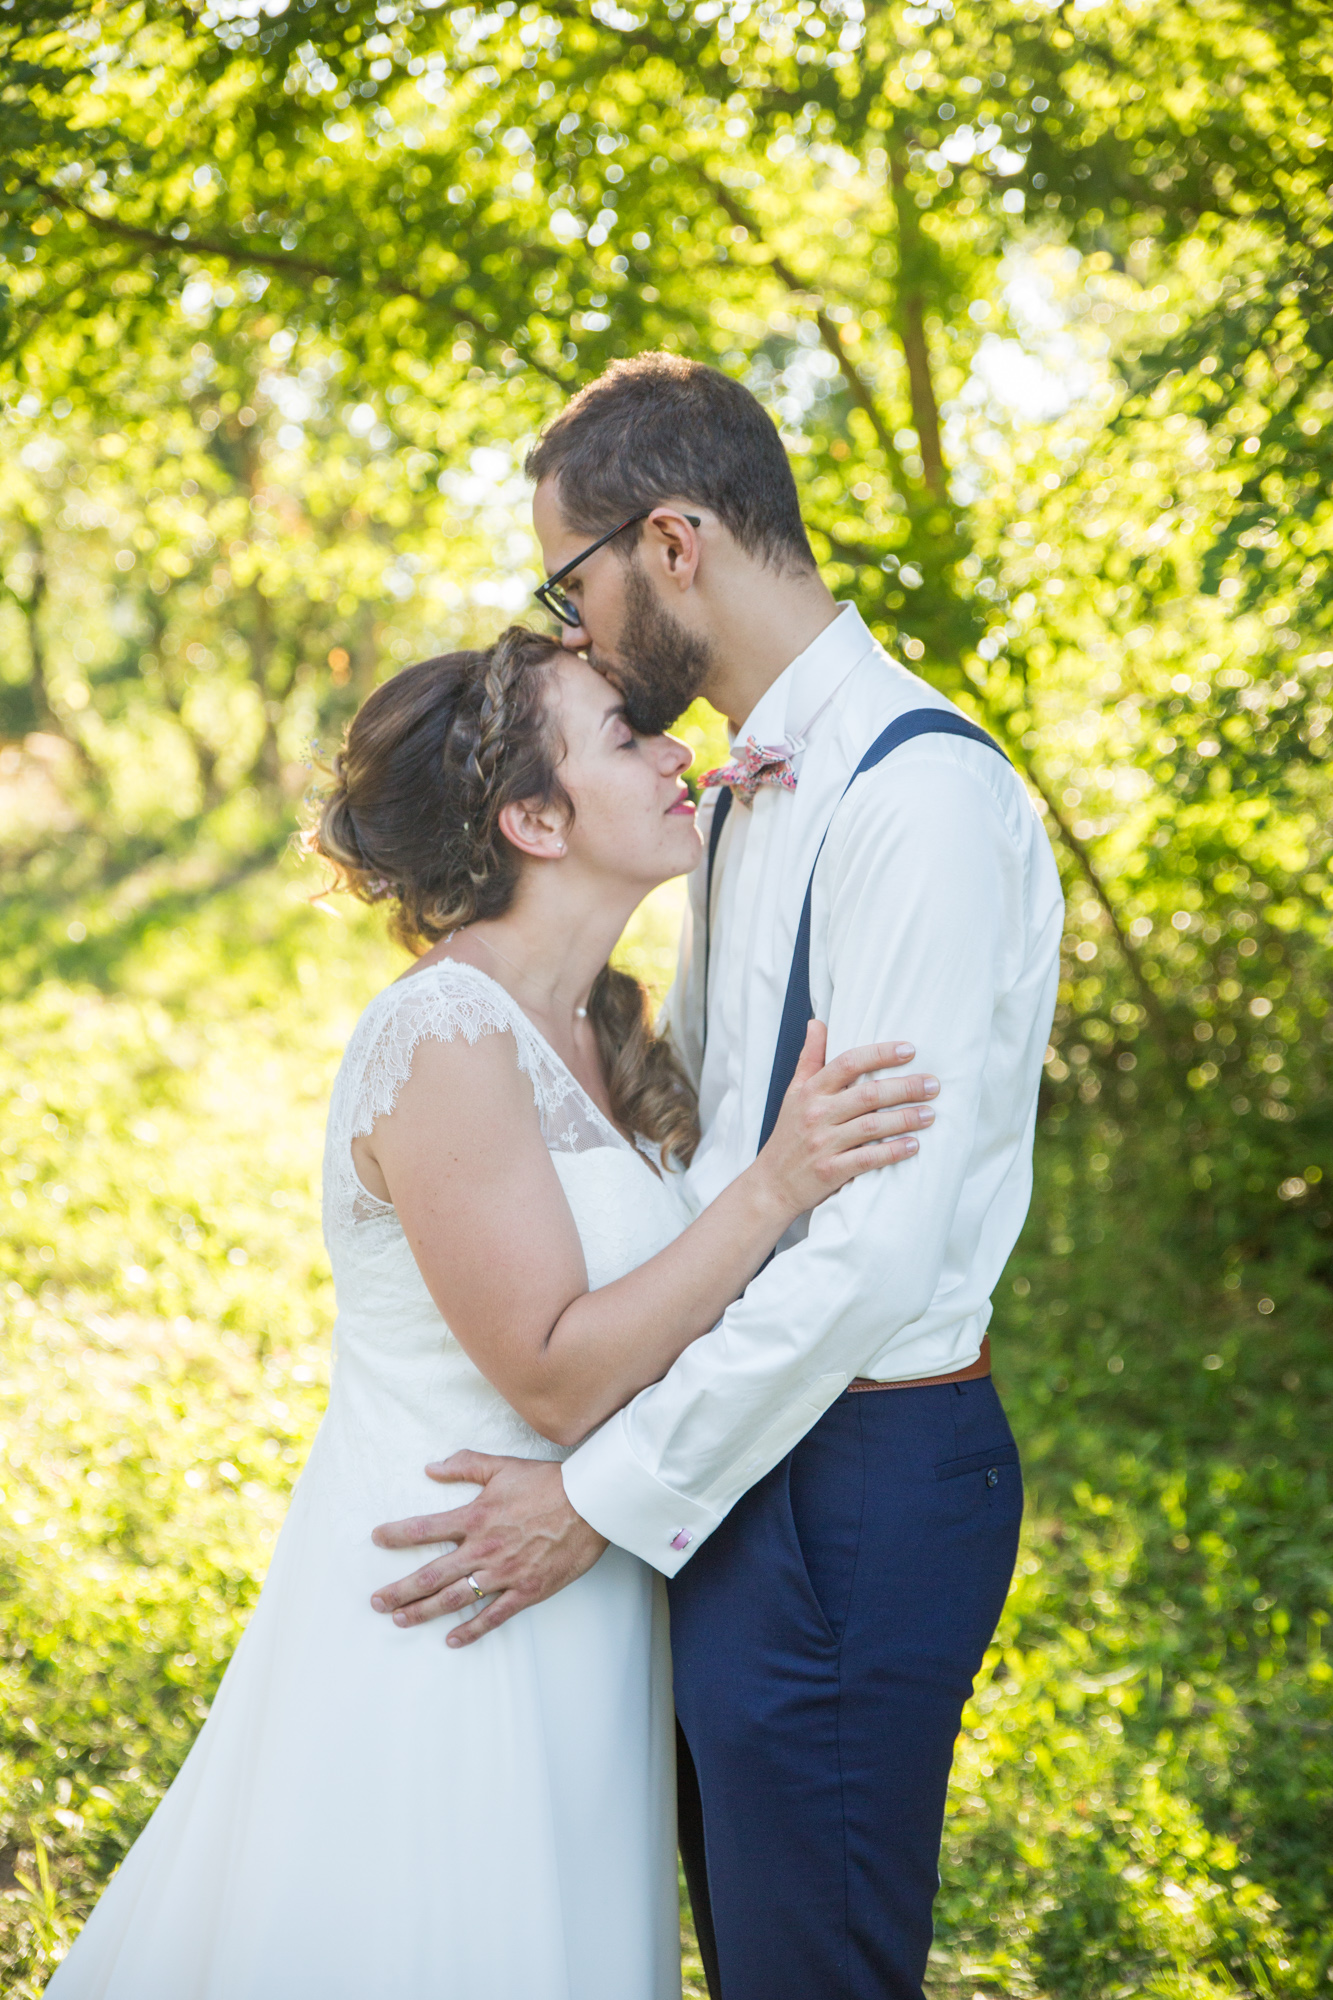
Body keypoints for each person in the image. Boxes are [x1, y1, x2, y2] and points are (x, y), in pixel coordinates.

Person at [47, 625, 937, 2000]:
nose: (676, 751)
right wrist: (776, 1187)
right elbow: (557, 1377)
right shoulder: (445, 1039)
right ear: (532, 818)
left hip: (573, 1587)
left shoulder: (596, 1025)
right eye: (626, 737)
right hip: (450, 1608)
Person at [369, 356, 1065, 2000]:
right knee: (740, 1939)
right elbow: (704, 1143)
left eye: (574, 580)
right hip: (746, 1449)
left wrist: (592, 1500)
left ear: (670, 544)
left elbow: (870, 1261)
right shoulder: (746, 793)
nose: (571, 628)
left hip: (856, 1474)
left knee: (808, 1964)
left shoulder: (924, 807)